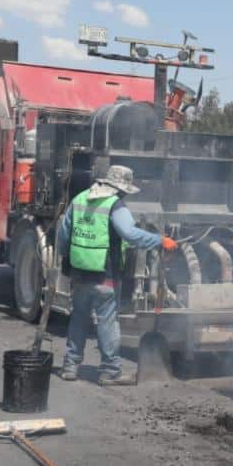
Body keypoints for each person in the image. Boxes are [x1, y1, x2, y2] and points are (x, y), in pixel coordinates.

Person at [57, 164, 176, 385]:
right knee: (107, 322)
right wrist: (160, 241)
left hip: (80, 274)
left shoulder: (79, 199)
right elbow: (129, 234)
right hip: (105, 276)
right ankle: (111, 371)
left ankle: (70, 366)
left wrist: (67, 259)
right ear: (120, 188)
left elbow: (63, 235)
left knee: (78, 319)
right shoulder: (115, 205)